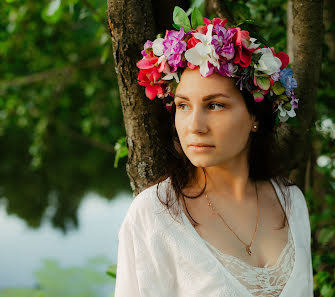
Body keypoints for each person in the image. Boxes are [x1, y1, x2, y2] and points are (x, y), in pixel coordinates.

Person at [114, 8, 313, 297]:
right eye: (183, 106)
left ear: (254, 116)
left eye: (215, 105)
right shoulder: (154, 216)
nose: (194, 126)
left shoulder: (291, 202)